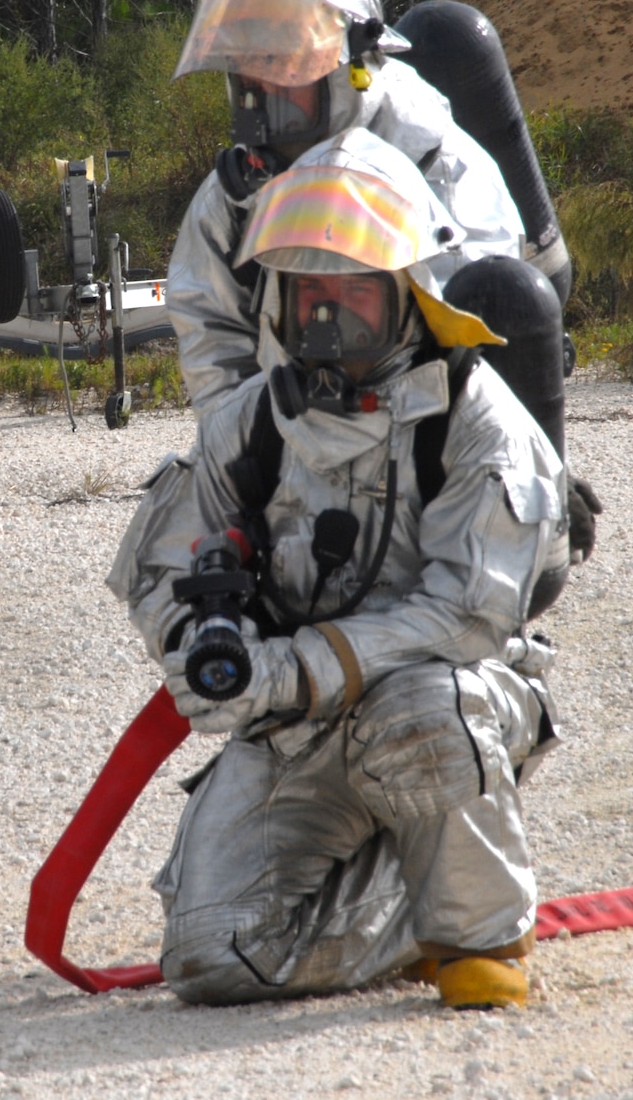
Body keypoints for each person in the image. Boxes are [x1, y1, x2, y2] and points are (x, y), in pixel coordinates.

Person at [107, 129, 565, 1008]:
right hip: (292, 721)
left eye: (350, 284)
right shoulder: (249, 424)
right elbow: (163, 565)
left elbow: (464, 615)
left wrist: (296, 666)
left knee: (423, 708)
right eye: (306, 285)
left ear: (406, 290)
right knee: (214, 955)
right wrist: (204, 657)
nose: (324, 308)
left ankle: (477, 937)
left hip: (447, 697)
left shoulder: (474, 423)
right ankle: (404, 903)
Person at [166, 0, 601, 574]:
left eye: (287, 67)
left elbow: (471, 333)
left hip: (427, 427)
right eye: (253, 68)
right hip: (294, 427)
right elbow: (210, 334)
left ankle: (523, 509)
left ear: (353, 64)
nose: (264, 88)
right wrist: (248, 457)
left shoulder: (435, 158)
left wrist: (509, 454)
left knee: (507, 294)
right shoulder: (234, 194)